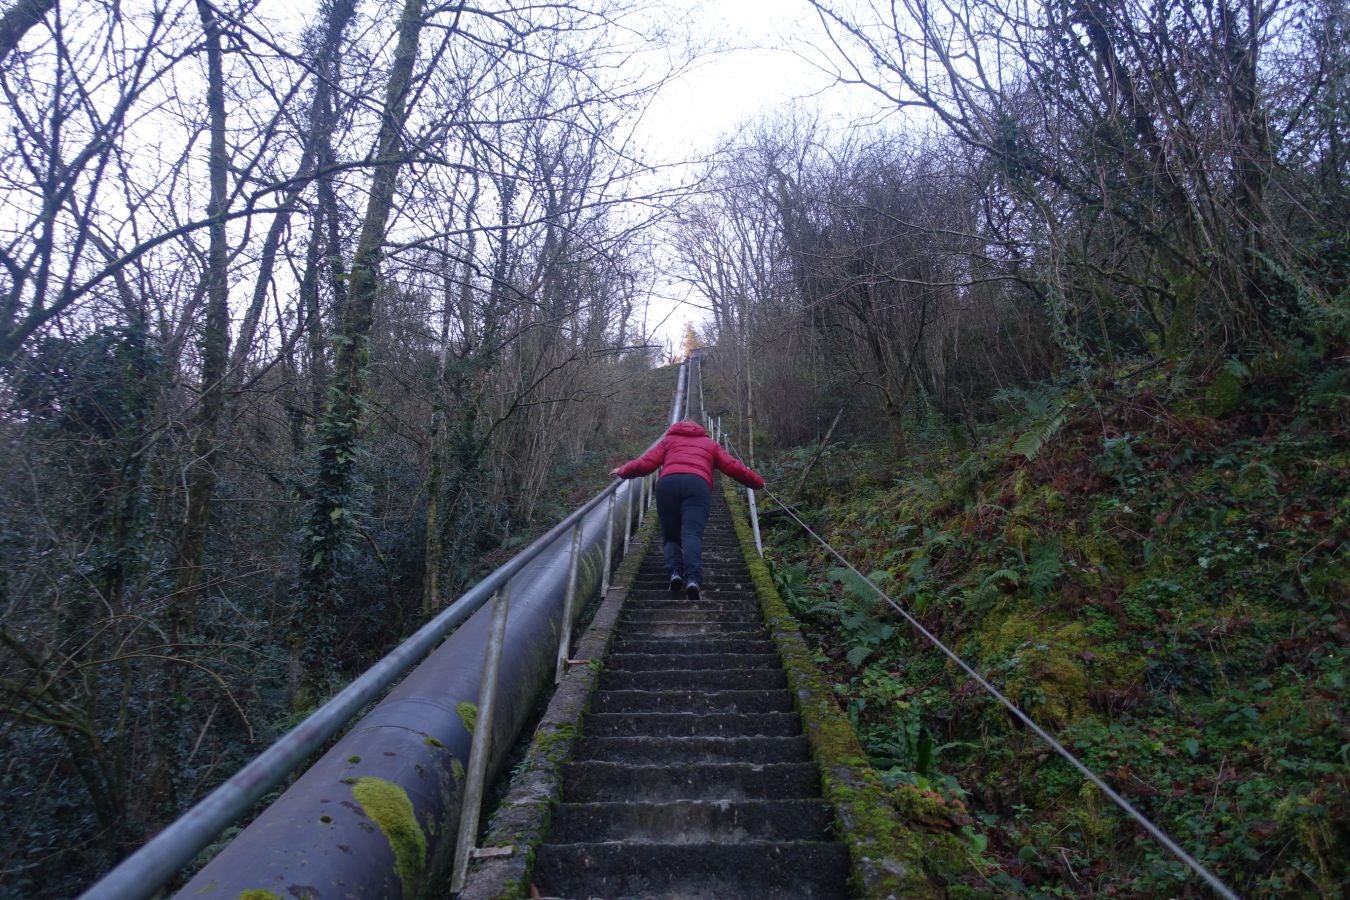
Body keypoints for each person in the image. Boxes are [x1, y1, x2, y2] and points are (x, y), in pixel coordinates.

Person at [610, 420, 765, 600]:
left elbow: (647, 462)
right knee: (691, 534)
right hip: (697, 485)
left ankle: (675, 573)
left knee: (671, 536)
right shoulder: (710, 444)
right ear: (701, 430)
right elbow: (733, 467)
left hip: (667, 484)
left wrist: (623, 470)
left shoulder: (669, 440)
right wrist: (758, 482)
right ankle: (693, 580)